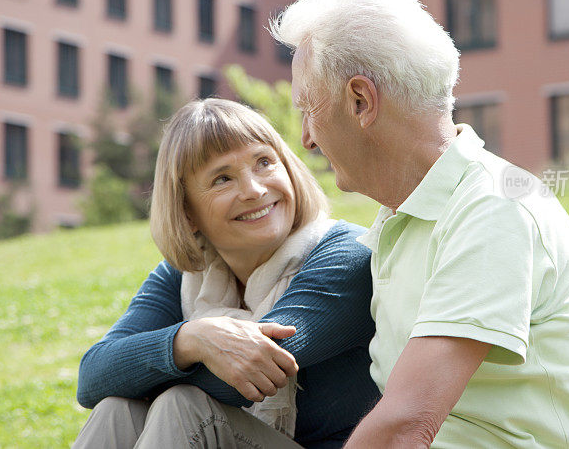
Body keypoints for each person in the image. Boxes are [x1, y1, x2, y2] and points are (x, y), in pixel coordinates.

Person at [270, 0, 569, 448]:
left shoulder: (496, 205)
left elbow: (406, 426)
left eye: (309, 110)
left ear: (361, 101)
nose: (306, 139)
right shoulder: (402, 218)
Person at [73, 98, 380, 448]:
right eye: (222, 178)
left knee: (185, 407)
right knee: (117, 408)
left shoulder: (344, 254)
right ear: (187, 212)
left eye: (264, 162)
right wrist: (190, 339)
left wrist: (143, 368)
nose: (253, 189)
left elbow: (250, 374)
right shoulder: (186, 276)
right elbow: (93, 378)